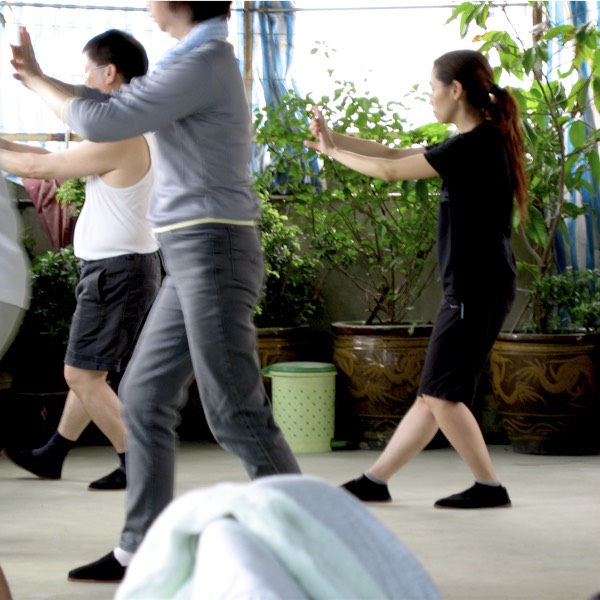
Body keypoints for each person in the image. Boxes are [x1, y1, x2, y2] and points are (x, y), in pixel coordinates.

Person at [9, 2, 301, 582]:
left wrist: (39, 77)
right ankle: (139, 549)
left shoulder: (205, 60)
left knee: (234, 411)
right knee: (142, 399)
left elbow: (101, 120)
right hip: (187, 254)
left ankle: (308, 541)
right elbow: (114, 107)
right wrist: (42, 77)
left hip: (213, 249)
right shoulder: (190, 60)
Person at [305, 49, 527, 509]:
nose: (430, 98)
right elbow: (390, 154)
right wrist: (335, 139)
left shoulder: (475, 146)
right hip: (475, 286)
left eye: (432, 89)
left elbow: (388, 171)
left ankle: (489, 487)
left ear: (456, 89)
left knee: (442, 396)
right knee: (433, 394)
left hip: (474, 289)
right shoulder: (475, 142)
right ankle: (374, 480)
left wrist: (332, 153)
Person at [1, 29, 161, 492]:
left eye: (87, 71)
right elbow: (48, 156)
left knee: (81, 374)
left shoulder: (124, 136)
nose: (82, 82)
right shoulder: (133, 125)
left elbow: (38, 170)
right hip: (118, 268)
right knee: (89, 369)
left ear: (108, 72)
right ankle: (54, 453)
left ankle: (141, 462)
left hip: (118, 270)